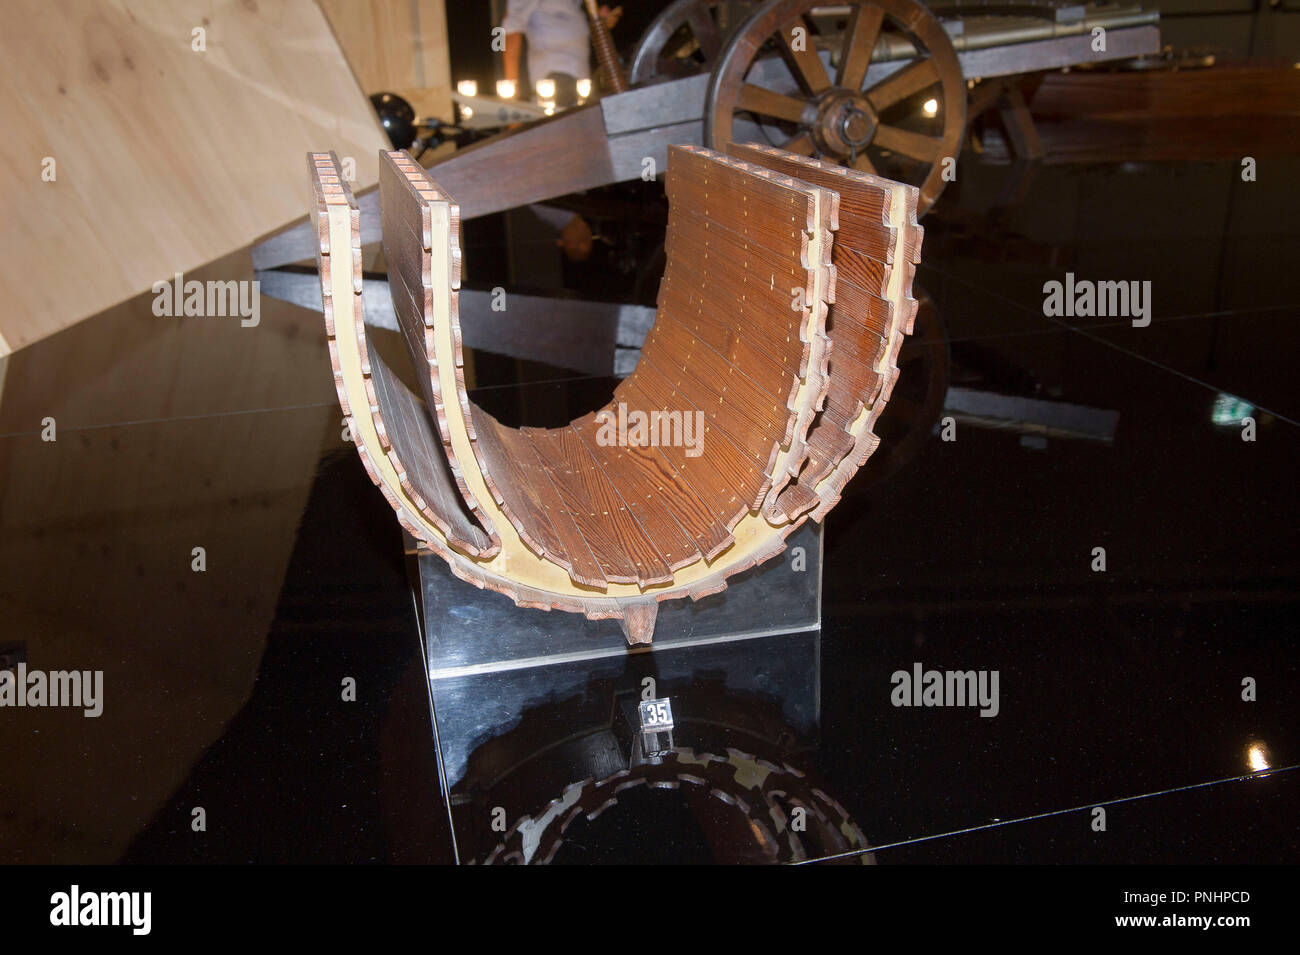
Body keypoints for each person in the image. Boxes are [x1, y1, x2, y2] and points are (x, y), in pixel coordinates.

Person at [502, 0, 622, 107]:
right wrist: (513, 102)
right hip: (553, 86)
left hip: (581, 88)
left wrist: (601, 19)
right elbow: (511, 32)